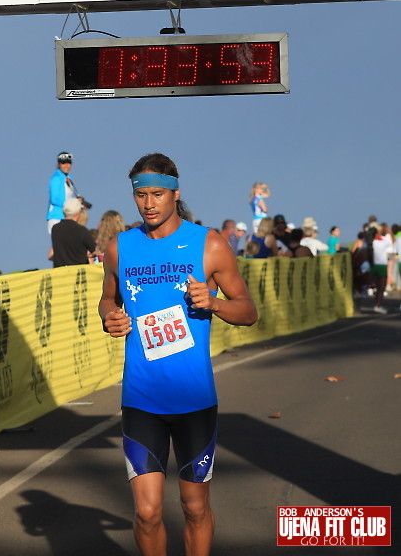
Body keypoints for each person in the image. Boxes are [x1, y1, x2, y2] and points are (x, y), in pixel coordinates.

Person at [98, 153, 257, 556]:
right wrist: (109, 317)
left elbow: (249, 311)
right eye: (141, 195)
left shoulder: (209, 244)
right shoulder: (120, 248)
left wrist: (214, 304)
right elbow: (106, 298)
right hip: (141, 399)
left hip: (194, 400)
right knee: (148, 512)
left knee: (194, 506)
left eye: (157, 194)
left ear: (175, 193)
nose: (148, 203)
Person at [51, 198, 96, 268]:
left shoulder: (55, 229)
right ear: (78, 212)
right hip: (79, 273)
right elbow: (94, 250)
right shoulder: (82, 231)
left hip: (60, 274)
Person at [46, 151, 78, 234]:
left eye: (68, 163)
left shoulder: (68, 179)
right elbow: (54, 198)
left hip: (66, 217)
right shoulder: (56, 178)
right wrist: (71, 205)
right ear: (59, 164)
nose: (66, 166)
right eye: (63, 163)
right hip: (57, 216)